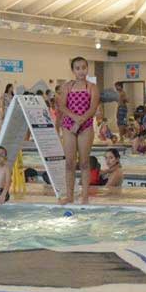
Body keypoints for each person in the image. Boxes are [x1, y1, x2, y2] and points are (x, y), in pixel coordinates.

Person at [57, 56, 100, 204]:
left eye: (84, 67)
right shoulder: (67, 87)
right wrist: (75, 119)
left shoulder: (92, 87)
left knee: (84, 162)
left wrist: (80, 121)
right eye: (78, 68)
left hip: (85, 126)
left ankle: (85, 196)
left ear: (87, 68)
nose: (81, 71)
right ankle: (69, 196)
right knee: (69, 163)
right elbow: (62, 106)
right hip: (69, 125)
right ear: (73, 70)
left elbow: (93, 108)